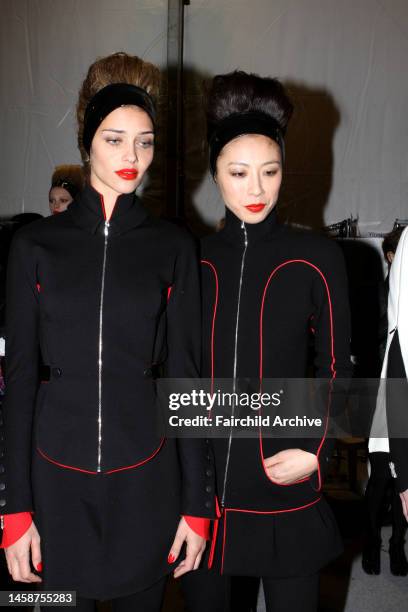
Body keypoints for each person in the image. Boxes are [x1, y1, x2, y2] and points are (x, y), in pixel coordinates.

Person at [0, 51, 214, 610]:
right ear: (86, 138)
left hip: (147, 480)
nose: (132, 156)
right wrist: (14, 508)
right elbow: (19, 382)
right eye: (115, 138)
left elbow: (187, 379)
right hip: (54, 483)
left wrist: (197, 502)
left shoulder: (173, 246)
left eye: (144, 141)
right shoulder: (33, 247)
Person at [182, 71, 351, 612]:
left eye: (269, 171)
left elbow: (338, 366)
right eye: (238, 172)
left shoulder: (317, 257)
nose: (255, 189)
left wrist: (316, 450)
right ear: (215, 174)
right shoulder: (192, 257)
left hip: (284, 474)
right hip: (203, 487)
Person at [363, 227, 407, 576]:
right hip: (380, 389)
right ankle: (371, 543)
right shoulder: (379, 289)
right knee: (380, 476)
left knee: (400, 478)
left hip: (398, 385)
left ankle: (396, 548)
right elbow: (367, 339)